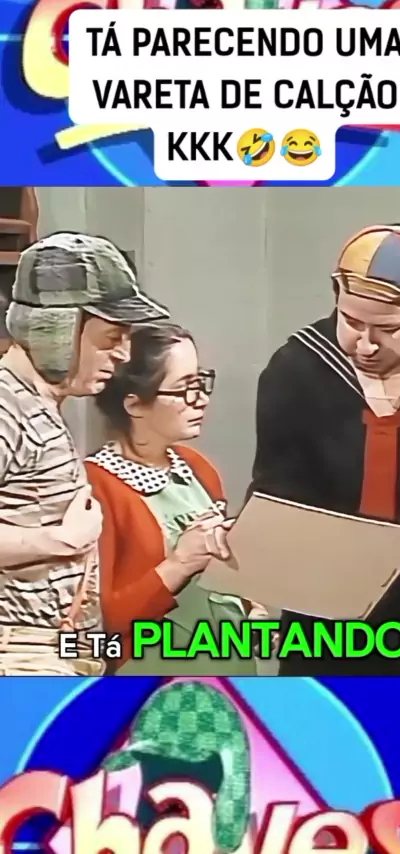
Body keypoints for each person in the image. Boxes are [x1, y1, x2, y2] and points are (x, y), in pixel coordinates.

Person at [249, 223, 400, 676]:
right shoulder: (297, 368)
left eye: (388, 329)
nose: (367, 344)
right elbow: (274, 488)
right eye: (352, 323)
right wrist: (259, 585)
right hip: (324, 604)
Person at [0, 232, 169, 675]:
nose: (123, 355)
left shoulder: (33, 405)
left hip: (58, 652)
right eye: (111, 337)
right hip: (22, 659)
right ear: (57, 330)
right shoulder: (5, 407)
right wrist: (55, 540)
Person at [85, 322, 260, 675]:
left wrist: (250, 608)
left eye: (202, 382)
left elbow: (220, 575)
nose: (201, 398)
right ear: (135, 404)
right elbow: (103, 623)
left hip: (229, 669)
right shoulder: (96, 487)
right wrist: (179, 563)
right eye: (185, 388)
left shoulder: (199, 468)